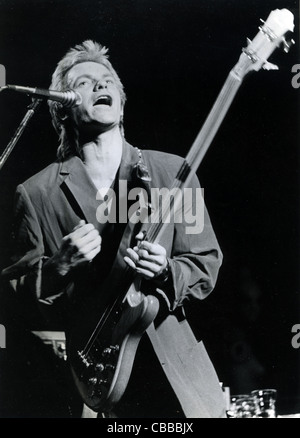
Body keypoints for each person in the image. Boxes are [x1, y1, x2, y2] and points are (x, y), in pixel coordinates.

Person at [1, 40, 226, 418]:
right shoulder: (37, 193)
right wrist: (58, 267)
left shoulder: (172, 172)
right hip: (97, 384)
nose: (101, 86)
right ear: (61, 107)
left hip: (178, 380)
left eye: (107, 81)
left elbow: (206, 263)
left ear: (122, 101)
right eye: (85, 83)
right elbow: (11, 290)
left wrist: (167, 270)